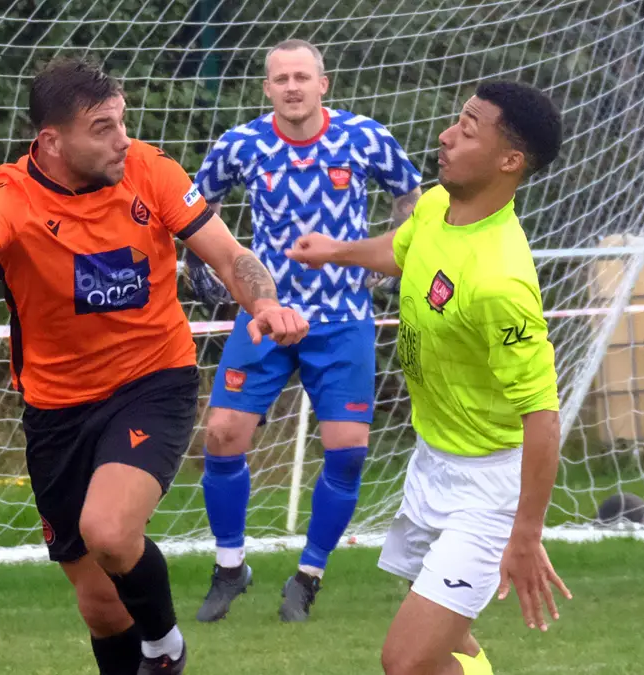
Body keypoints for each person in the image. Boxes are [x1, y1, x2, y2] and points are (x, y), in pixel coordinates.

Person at [0, 57, 308, 675]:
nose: (122, 138)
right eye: (102, 127)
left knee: (110, 531)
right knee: (99, 605)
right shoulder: (9, 192)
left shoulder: (149, 170)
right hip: (55, 409)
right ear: (51, 141)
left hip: (153, 381)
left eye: (122, 121)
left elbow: (230, 256)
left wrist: (266, 303)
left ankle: (166, 650)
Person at [286, 80, 572, 675]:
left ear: (509, 161)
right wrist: (336, 251)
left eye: (468, 129)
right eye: (455, 121)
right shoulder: (440, 205)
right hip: (433, 460)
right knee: (444, 643)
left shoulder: (500, 282)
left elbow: (543, 417)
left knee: (406, 659)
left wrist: (524, 533)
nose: (446, 135)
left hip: (490, 487)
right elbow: (403, 249)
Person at [184, 38, 423, 623]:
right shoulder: (239, 145)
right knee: (221, 433)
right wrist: (205, 273)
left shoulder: (363, 137)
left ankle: (308, 576)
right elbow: (192, 209)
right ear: (267, 89)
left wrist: (394, 261)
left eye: (301, 76)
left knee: (346, 453)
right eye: (280, 78)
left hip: (342, 320)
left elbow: (411, 197)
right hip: (265, 316)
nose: (291, 86)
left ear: (324, 84)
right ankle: (230, 566)